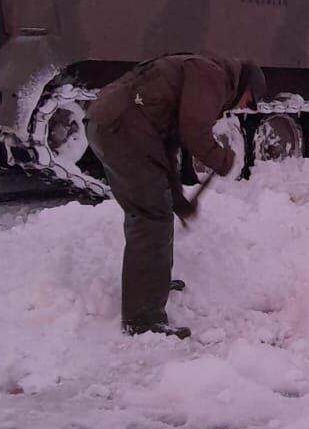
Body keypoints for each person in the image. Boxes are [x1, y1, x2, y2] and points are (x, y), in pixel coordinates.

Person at [86, 53, 266, 337]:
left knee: (155, 208)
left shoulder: (204, 74)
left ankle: (151, 283)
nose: (244, 107)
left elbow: (168, 146)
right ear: (244, 87)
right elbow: (194, 131)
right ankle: (142, 320)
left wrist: (177, 198)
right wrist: (221, 159)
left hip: (117, 126)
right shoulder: (214, 77)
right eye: (248, 101)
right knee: (150, 217)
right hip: (123, 130)